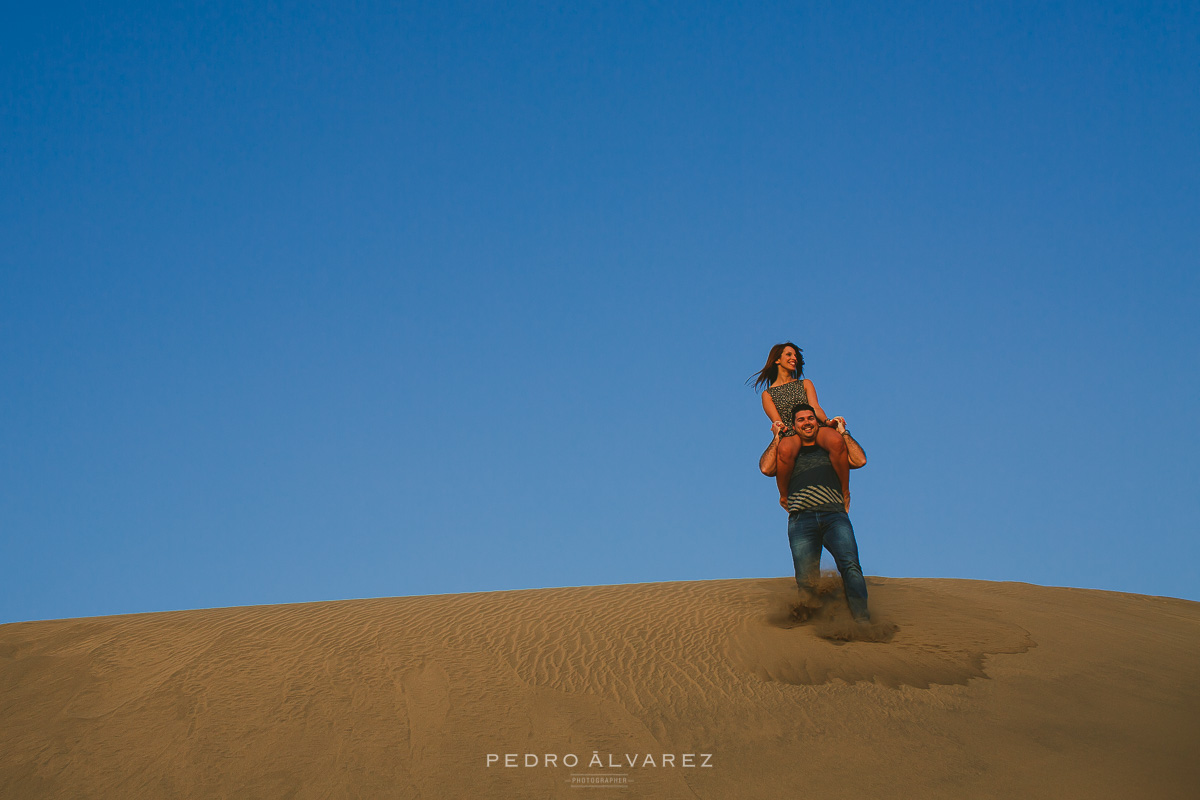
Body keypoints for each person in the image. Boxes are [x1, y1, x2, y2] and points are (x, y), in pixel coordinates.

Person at [781, 404, 871, 622]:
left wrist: (843, 431)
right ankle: (813, 624)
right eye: (801, 420)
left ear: (817, 422)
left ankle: (862, 621)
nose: (807, 422)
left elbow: (860, 460)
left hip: (834, 515)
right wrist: (777, 437)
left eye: (810, 418)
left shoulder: (833, 452)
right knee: (806, 578)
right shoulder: (790, 453)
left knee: (850, 566)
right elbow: (765, 468)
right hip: (802, 519)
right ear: (794, 426)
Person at [749, 343, 862, 511]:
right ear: (777, 360)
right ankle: (784, 496)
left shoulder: (805, 383)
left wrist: (828, 421)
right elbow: (777, 420)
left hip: (813, 426)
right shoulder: (768, 394)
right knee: (786, 450)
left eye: (795, 355)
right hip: (791, 430)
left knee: (836, 441)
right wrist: (779, 432)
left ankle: (845, 491)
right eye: (789, 355)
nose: (794, 358)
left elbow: (815, 407)